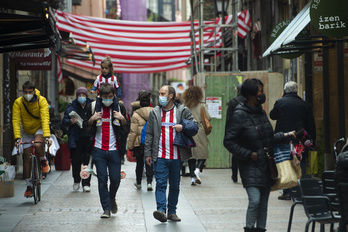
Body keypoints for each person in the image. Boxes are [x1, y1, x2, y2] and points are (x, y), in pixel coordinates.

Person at [223, 78, 295, 232]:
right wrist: (248, 154)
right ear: (250, 95)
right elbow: (228, 141)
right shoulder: (239, 114)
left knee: (263, 204)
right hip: (250, 165)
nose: (263, 95)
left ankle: (261, 229)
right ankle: (249, 228)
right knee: (255, 200)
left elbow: (268, 138)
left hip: (266, 165)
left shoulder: (261, 112)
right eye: (260, 92)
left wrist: (286, 135)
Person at [145, 85, 196, 223]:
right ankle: (161, 210)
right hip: (160, 156)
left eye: (163, 93)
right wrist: (148, 153)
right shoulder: (155, 112)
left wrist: (183, 127)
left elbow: (194, 126)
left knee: (174, 185)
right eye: (160, 93)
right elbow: (149, 134)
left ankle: (172, 212)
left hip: (177, 156)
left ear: (171, 96)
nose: (160, 96)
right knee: (160, 183)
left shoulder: (182, 110)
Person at [86, 83, 129, 218]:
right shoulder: (92, 108)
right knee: (102, 180)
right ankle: (106, 208)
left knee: (116, 180)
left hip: (115, 150)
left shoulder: (119, 108)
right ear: (100, 96)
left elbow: (126, 129)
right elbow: (84, 129)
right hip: (98, 150)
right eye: (105, 97)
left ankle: (111, 198)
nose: (108, 100)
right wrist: (91, 120)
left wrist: (122, 120)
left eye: (111, 97)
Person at [269, 81, 316, 200]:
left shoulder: (280, 102)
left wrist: (280, 99)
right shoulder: (304, 104)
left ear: (284, 91)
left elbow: (272, 116)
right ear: (296, 91)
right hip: (300, 139)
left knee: (285, 164)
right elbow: (311, 123)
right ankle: (300, 192)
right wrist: (311, 140)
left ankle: (287, 192)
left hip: (284, 139)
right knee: (300, 163)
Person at [12, 81, 51, 197]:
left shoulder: (41, 101)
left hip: (39, 128)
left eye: (30, 92)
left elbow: (45, 118)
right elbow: (15, 121)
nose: (28, 94)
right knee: (27, 157)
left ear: (34, 91)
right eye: (25, 92)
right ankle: (29, 186)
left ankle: (43, 160)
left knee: (38, 144)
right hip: (26, 130)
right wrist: (17, 138)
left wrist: (47, 137)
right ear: (22, 92)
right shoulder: (18, 102)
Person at [62, 87, 94, 192]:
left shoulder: (92, 105)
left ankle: (86, 183)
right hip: (76, 138)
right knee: (76, 161)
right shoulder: (72, 105)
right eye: (79, 95)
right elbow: (64, 120)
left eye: (83, 95)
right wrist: (71, 121)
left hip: (89, 137)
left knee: (87, 161)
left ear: (86, 96)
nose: (81, 97)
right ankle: (76, 180)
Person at [182, 86, 211, 186]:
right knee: (203, 153)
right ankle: (198, 169)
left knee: (191, 156)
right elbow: (208, 117)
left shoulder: (185, 106)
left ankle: (192, 179)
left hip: (188, 131)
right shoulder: (201, 105)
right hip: (200, 129)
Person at [128, 91, 154, 191]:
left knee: (139, 163)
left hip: (139, 143)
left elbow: (133, 132)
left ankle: (138, 182)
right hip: (150, 142)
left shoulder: (135, 115)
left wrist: (130, 145)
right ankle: (149, 182)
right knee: (150, 162)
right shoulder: (154, 112)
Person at [90, 56, 122, 126]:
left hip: (111, 97)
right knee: (97, 105)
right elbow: (95, 85)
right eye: (102, 68)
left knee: (116, 105)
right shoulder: (99, 77)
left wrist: (119, 95)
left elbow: (118, 87)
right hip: (100, 97)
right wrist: (93, 90)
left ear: (110, 69)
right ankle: (98, 119)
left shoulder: (114, 78)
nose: (104, 70)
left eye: (106, 68)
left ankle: (116, 119)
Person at [226, 83, 246, 183]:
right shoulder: (249, 101)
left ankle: (234, 175)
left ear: (237, 91)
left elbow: (229, 119)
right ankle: (244, 175)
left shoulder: (233, 102)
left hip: (236, 132)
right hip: (247, 132)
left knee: (235, 154)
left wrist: (228, 134)